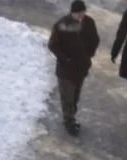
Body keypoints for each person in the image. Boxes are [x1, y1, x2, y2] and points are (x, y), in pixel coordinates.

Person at [48, 0, 100, 136]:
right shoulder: (62, 24)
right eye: (78, 14)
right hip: (66, 69)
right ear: (72, 13)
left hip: (81, 68)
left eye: (83, 13)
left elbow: (95, 39)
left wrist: (89, 54)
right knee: (67, 97)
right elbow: (52, 44)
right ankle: (68, 122)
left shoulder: (89, 23)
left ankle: (71, 118)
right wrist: (65, 58)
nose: (81, 16)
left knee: (75, 96)